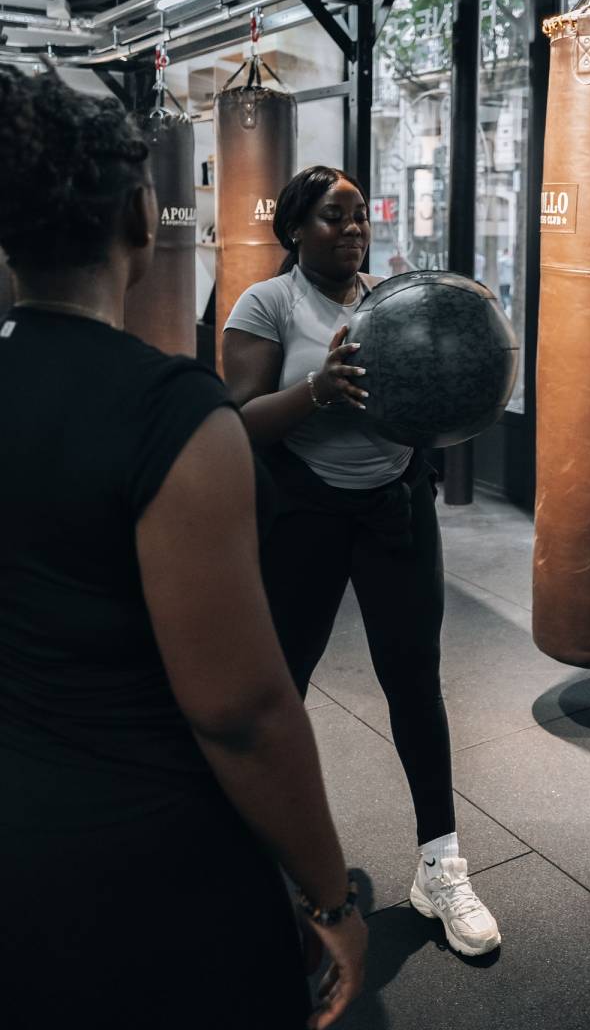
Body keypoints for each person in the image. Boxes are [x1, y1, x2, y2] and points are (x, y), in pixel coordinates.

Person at [0, 71, 366, 1030]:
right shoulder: (171, 413)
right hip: (143, 855)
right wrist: (329, 893)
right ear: (140, 212)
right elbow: (242, 712)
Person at [222, 164, 502, 958]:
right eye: (332, 218)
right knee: (283, 689)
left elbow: (427, 398)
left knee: (415, 681)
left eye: (358, 217)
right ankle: (263, 861)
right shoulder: (266, 304)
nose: (351, 230)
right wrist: (319, 388)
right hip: (302, 514)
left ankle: (440, 865)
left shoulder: (389, 300)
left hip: (392, 509)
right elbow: (238, 421)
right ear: (294, 230)